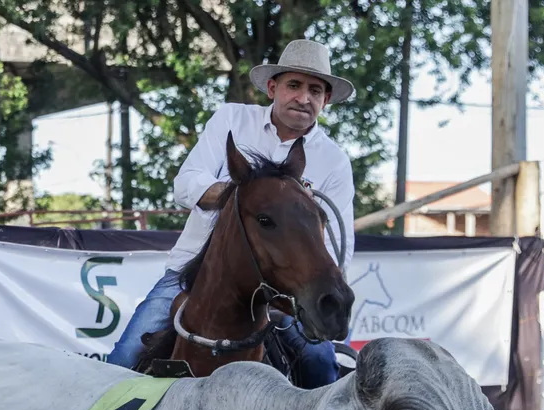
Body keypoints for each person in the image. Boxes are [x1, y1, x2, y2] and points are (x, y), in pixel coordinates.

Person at [106, 39, 357, 387]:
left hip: (282, 293)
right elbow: (187, 184)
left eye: (315, 90)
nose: (303, 98)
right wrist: (246, 196)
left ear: (325, 100)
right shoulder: (231, 119)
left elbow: (338, 247)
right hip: (193, 275)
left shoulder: (335, 160)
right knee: (122, 359)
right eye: (294, 85)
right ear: (273, 87)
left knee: (319, 365)